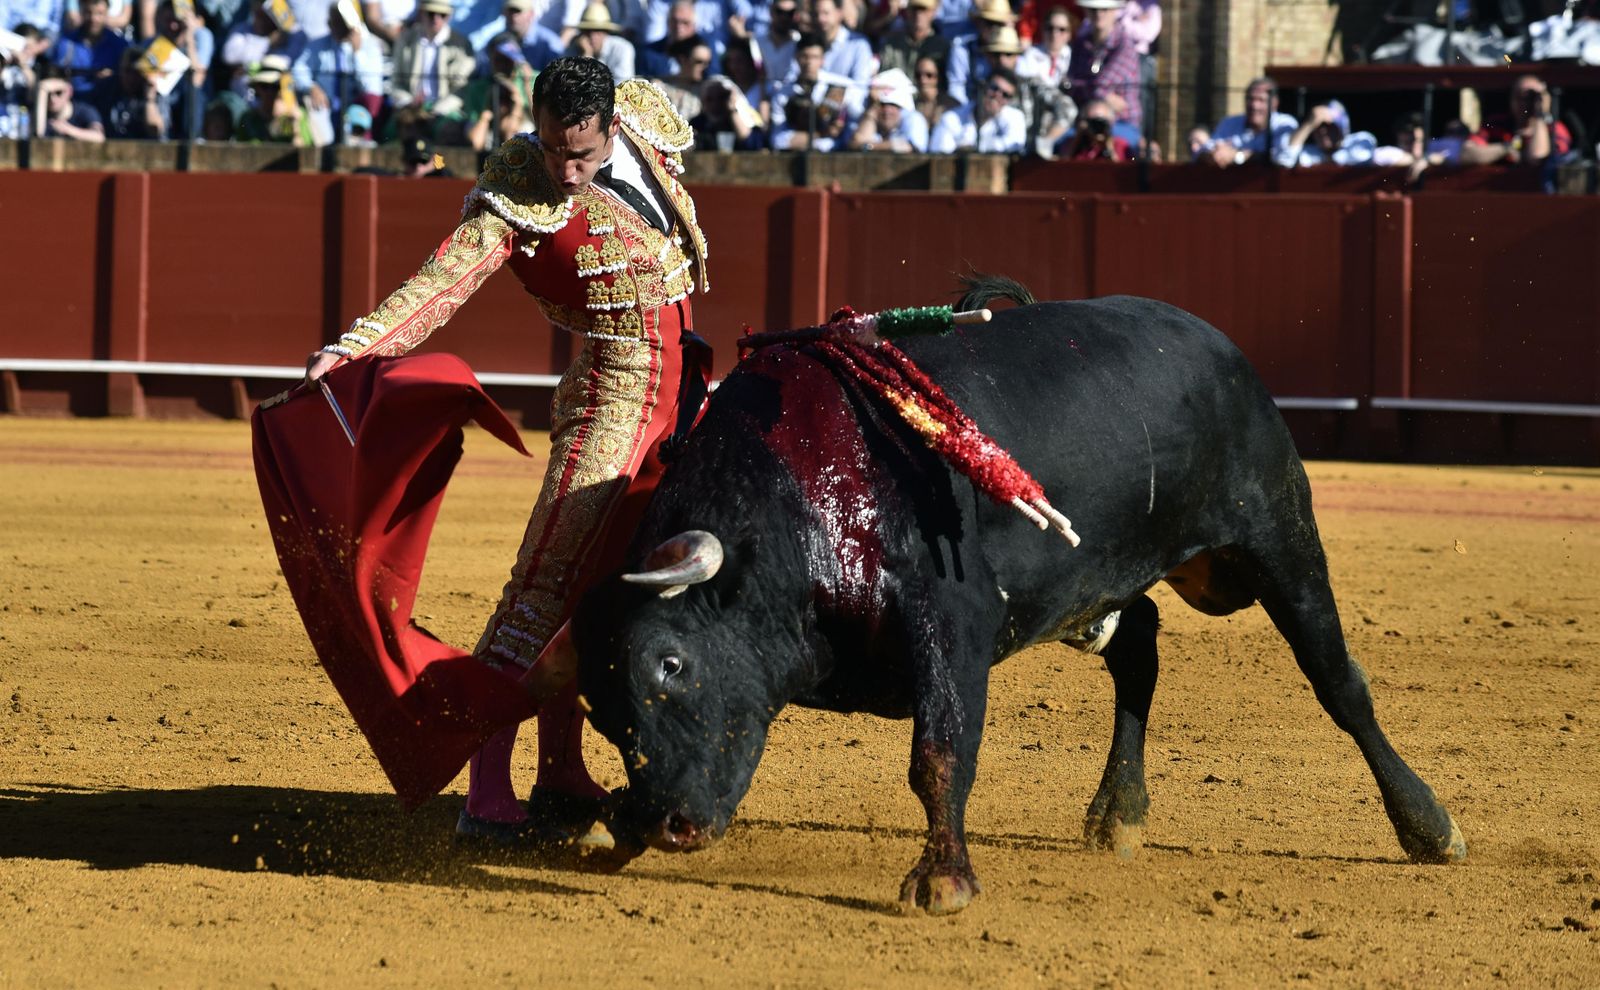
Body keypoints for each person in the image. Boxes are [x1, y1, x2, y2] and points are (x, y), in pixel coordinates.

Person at [302, 56, 711, 844]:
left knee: (609, 593)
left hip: (682, 405)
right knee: (543, 591)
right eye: (552, 147)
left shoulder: (645, 122)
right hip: (611, 406)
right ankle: (485, 788)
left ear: (613, 127)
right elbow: (442, 281)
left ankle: (560, 768)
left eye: (580, 154)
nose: (564, 170)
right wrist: (356, 347)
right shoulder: (518, 191)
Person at [1460, 73, 1573, 168]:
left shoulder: (1555, 129)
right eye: (1523, 97)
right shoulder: (1496, 124)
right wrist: (1507, 148)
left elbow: (1537, 158)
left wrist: (1540, 115)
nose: (1527, 103)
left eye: (1533, 97)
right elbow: (1466, 155)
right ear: (1512, 100)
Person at [390, 0, 477, 119]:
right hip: (410, 108)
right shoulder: (406, 39)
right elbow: (396, 81)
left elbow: (461, 90)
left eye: (442, 15)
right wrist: (408, 102)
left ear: (449, 17)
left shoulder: (462, 46)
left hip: (445, 112)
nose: (436, 19)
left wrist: (437, 111)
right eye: (431, 14)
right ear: (422, 13)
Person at [1065, 0, 1140, 133]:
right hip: (1084, 121)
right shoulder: (1081, 43)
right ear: (1086, 11)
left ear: (1114, 11)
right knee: (1060, 141)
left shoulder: (1124, 45)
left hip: (1122, 122)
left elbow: (1100, 87)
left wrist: (1083, 88)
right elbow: (1072, 85)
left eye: (1105, 9)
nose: (1099, 14)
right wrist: (1104, 96)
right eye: (1094, 9)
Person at [928, 64, 1026, 153]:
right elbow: (939, 154)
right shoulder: (951, 118)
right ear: (984, 86)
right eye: (994, 88)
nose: (997, 95)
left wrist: (972, 148)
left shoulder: (1016, 118)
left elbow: (1013, 147)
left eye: (1005, 95)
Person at [1203, 75, 1295, 167]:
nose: (1254, 106)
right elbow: (1206, 150)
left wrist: (1238, 156)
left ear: (1274, 103)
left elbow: (1281, 157)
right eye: (1250, 99)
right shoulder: (1229, 123)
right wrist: (1215, 153)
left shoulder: (1284, 124)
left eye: (1261, 100)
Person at [1273, 99, 1377, 167]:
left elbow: (1361, 156)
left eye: (1328, 126)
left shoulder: (1360, 140)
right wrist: (1309, 124)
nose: (1323, 131)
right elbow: (1283, 159)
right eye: (1318, 126)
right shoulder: (1307, 152)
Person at [845, 68, 928, 152]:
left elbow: (909, 148)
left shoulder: (914, 118)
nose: (887, 110)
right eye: (882, 104)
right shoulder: (872, 116)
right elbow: (855, 144)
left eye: (893, 105)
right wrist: (871, 112)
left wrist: (870, 147)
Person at [875, 0, 951, 81]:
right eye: (914, 9)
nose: (918, 14)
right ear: (907, 11)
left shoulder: (942, 47)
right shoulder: (891, 43)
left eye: (924, 9)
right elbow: (882, 76)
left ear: (933, 12)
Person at [566, 1, 635, 81]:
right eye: (587, 30)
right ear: (581, 32)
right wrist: (586, 55)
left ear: (606, 32)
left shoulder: (622, 49)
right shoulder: (573, 48)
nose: (592, 36)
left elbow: (622, 84)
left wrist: (588, 60)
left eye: (597, 30)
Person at [34, 71, 107, 139]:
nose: (52, 98)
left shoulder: (85, 111)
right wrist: (42, 90)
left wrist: (68, 130)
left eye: (58, 92)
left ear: (70, 91)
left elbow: (99, 137)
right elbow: (39, 135)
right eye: (48, 94)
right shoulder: (41, 115)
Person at [1053, 95, 1130, 160]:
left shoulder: (1120, 145)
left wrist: (1108, 145)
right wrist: (1077, 138)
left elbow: (1120, 169)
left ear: (1111, 123)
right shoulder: (1071, 143)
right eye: (1093, 122)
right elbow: (1062, 165)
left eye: (1101, 122)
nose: (1097, 126)